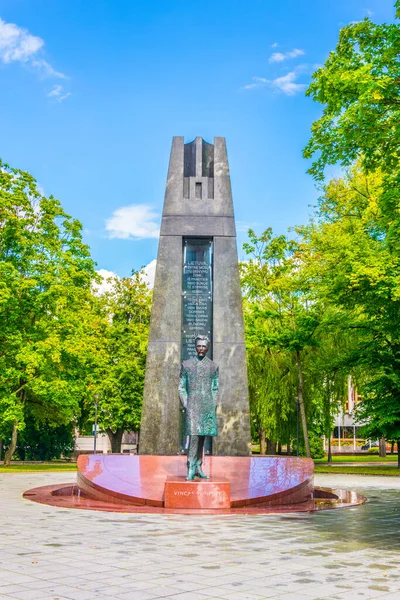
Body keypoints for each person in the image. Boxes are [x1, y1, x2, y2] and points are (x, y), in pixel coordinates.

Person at [178, 335, 219, 480]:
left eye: (204, 346)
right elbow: (181, 387)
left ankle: (199, 466)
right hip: (192, 405)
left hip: (207, 405)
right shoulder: (186, 365)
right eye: (199, 346)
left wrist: (213, 405)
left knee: (202, 436)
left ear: (208, 347)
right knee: (194, 435)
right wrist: (186, 403)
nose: (201, 348)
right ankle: (191, 466)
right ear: (195, 346)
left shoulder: (213, 366)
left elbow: (215, 388)